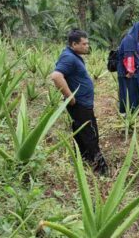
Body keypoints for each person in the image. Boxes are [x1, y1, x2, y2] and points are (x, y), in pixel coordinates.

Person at [51, 29, 108, 175]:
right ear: (74, 44)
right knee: (90, 133)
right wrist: (70, 96)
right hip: (80, 104)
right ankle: (100, 168)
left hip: (82, 103)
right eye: (84, 44)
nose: (87, 46)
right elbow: (56, 76)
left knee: (80, 130)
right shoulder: (68, 58)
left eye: (87, 43)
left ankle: (84, 157)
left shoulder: (73, 55)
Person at [117, 21, 139, 114]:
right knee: (128, 91)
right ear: (137, 29)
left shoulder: (136, 39)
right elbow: (128, 55)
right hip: (127, 71)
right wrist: (130, 71)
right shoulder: (129, 39)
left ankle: (136, 109)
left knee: (134, 89)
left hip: (135, 70)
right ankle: (127, 112)